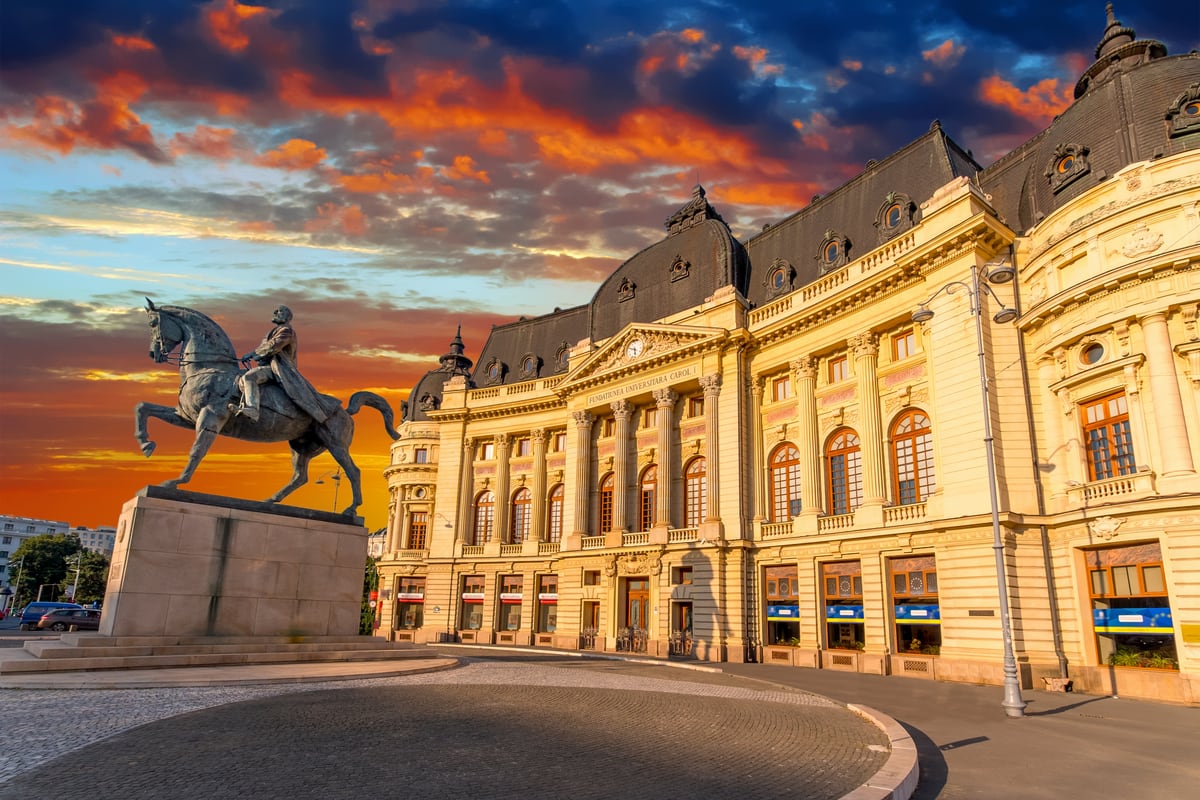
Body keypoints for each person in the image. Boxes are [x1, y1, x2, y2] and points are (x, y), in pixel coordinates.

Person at [235, 304, 328, 423]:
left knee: (249, 377)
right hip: (268, 366)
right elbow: (264, 348)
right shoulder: (273, 331)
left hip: (279, 369)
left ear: (287, 317)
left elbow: (274, 346)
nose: (275, 312)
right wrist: (255, 355)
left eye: (279, 311)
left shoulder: (287, 331)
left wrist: (252, 354)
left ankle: (253, 409)